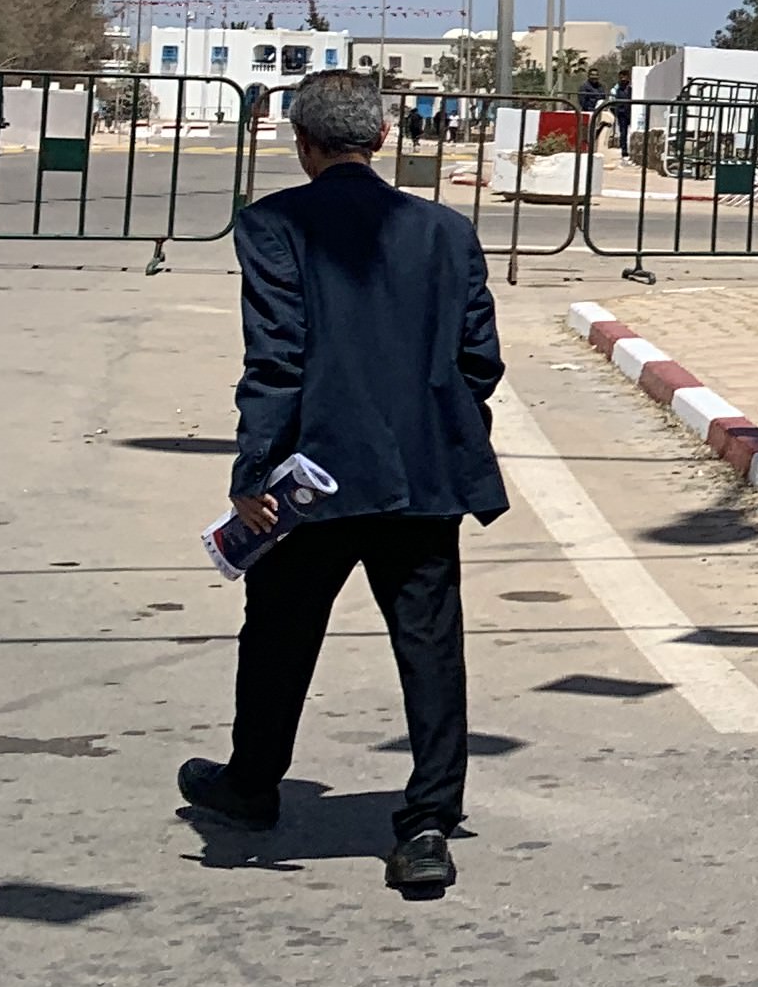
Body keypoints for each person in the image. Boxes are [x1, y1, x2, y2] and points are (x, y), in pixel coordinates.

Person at [177, 64, 509, 896]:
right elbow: (479, 359)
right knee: (430, 645)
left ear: (302, 145)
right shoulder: (444, 230)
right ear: (383, 137)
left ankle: (253, 783)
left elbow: (277, 358)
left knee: (281, 633)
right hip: (424, 474)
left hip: (313, 475)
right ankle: (429, 820)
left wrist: (253, 469)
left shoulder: (273, 225)